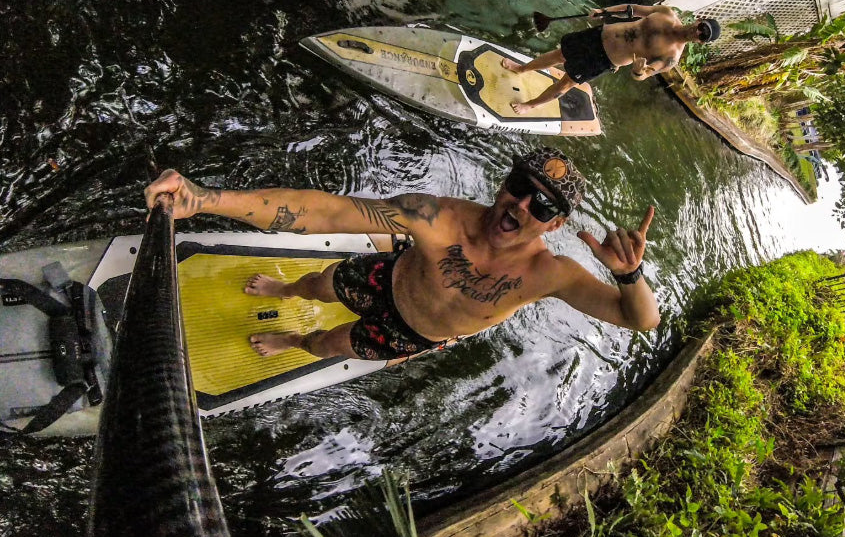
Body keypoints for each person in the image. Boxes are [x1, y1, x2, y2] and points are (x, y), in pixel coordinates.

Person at [143, 148, 660, 363]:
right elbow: (324, 213)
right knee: (318, 285)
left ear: (556, 223)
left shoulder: (550, 274)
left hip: (412, 333)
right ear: (505, 185)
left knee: (326, 346)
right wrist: (205, 199)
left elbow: (639, 319)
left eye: (542, 203)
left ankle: (294, 339)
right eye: (519, 186)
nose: (521, 204)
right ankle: (286, 289)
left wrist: (630, 274)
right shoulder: (437, 219)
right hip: (383, 278)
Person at [502, 4, 720, 113]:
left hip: (605, 59)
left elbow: (644, 74)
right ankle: (521, 69)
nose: (698, 32)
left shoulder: (671, 56)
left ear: (700, 42)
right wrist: (603, 11)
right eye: (702, 28)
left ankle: (530, 105)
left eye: (703, 36)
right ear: (698, 21)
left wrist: (637, 70)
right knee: (560, 54)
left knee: (568, 81)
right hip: (598, 35)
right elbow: (632, 8)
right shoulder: (666, 13)